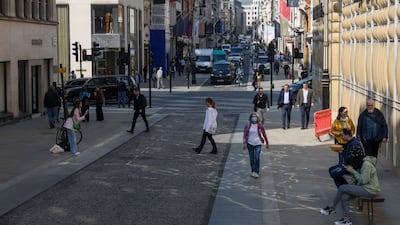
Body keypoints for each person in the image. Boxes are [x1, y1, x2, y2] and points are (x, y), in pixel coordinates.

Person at [320, 155, 380, 225]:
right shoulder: (363, 164)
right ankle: (346, 220)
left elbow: (363, 180)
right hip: (364, 188)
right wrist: (352, 177)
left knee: (342, 187)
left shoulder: (367, 165)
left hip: (370, 190)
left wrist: (353, 171)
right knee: (344, 197)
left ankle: (332, 206)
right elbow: (361, 178)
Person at [243, 112, 269, 178]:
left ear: (257, 118)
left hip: (258, 143)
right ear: (250, 118)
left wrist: (267, 142)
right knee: (252, 158)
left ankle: (256, 171)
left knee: (257, 157)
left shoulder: (260, 125)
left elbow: (264, 133)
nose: (254, 118)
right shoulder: (248, 125)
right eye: (252, 117)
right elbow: (245, 134)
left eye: (255, 117)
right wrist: (245, 143)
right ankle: (253, 170)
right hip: (250, 143)